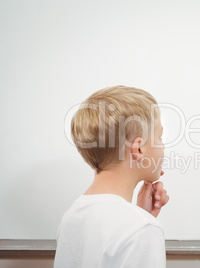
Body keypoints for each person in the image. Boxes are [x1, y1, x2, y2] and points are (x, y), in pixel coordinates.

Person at [54, 85, 169, 267]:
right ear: (138, 149)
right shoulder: (142, 229)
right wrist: (142, 222)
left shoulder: (72, 217)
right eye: (160, 138)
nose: (163, 147)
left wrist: (142, 215)